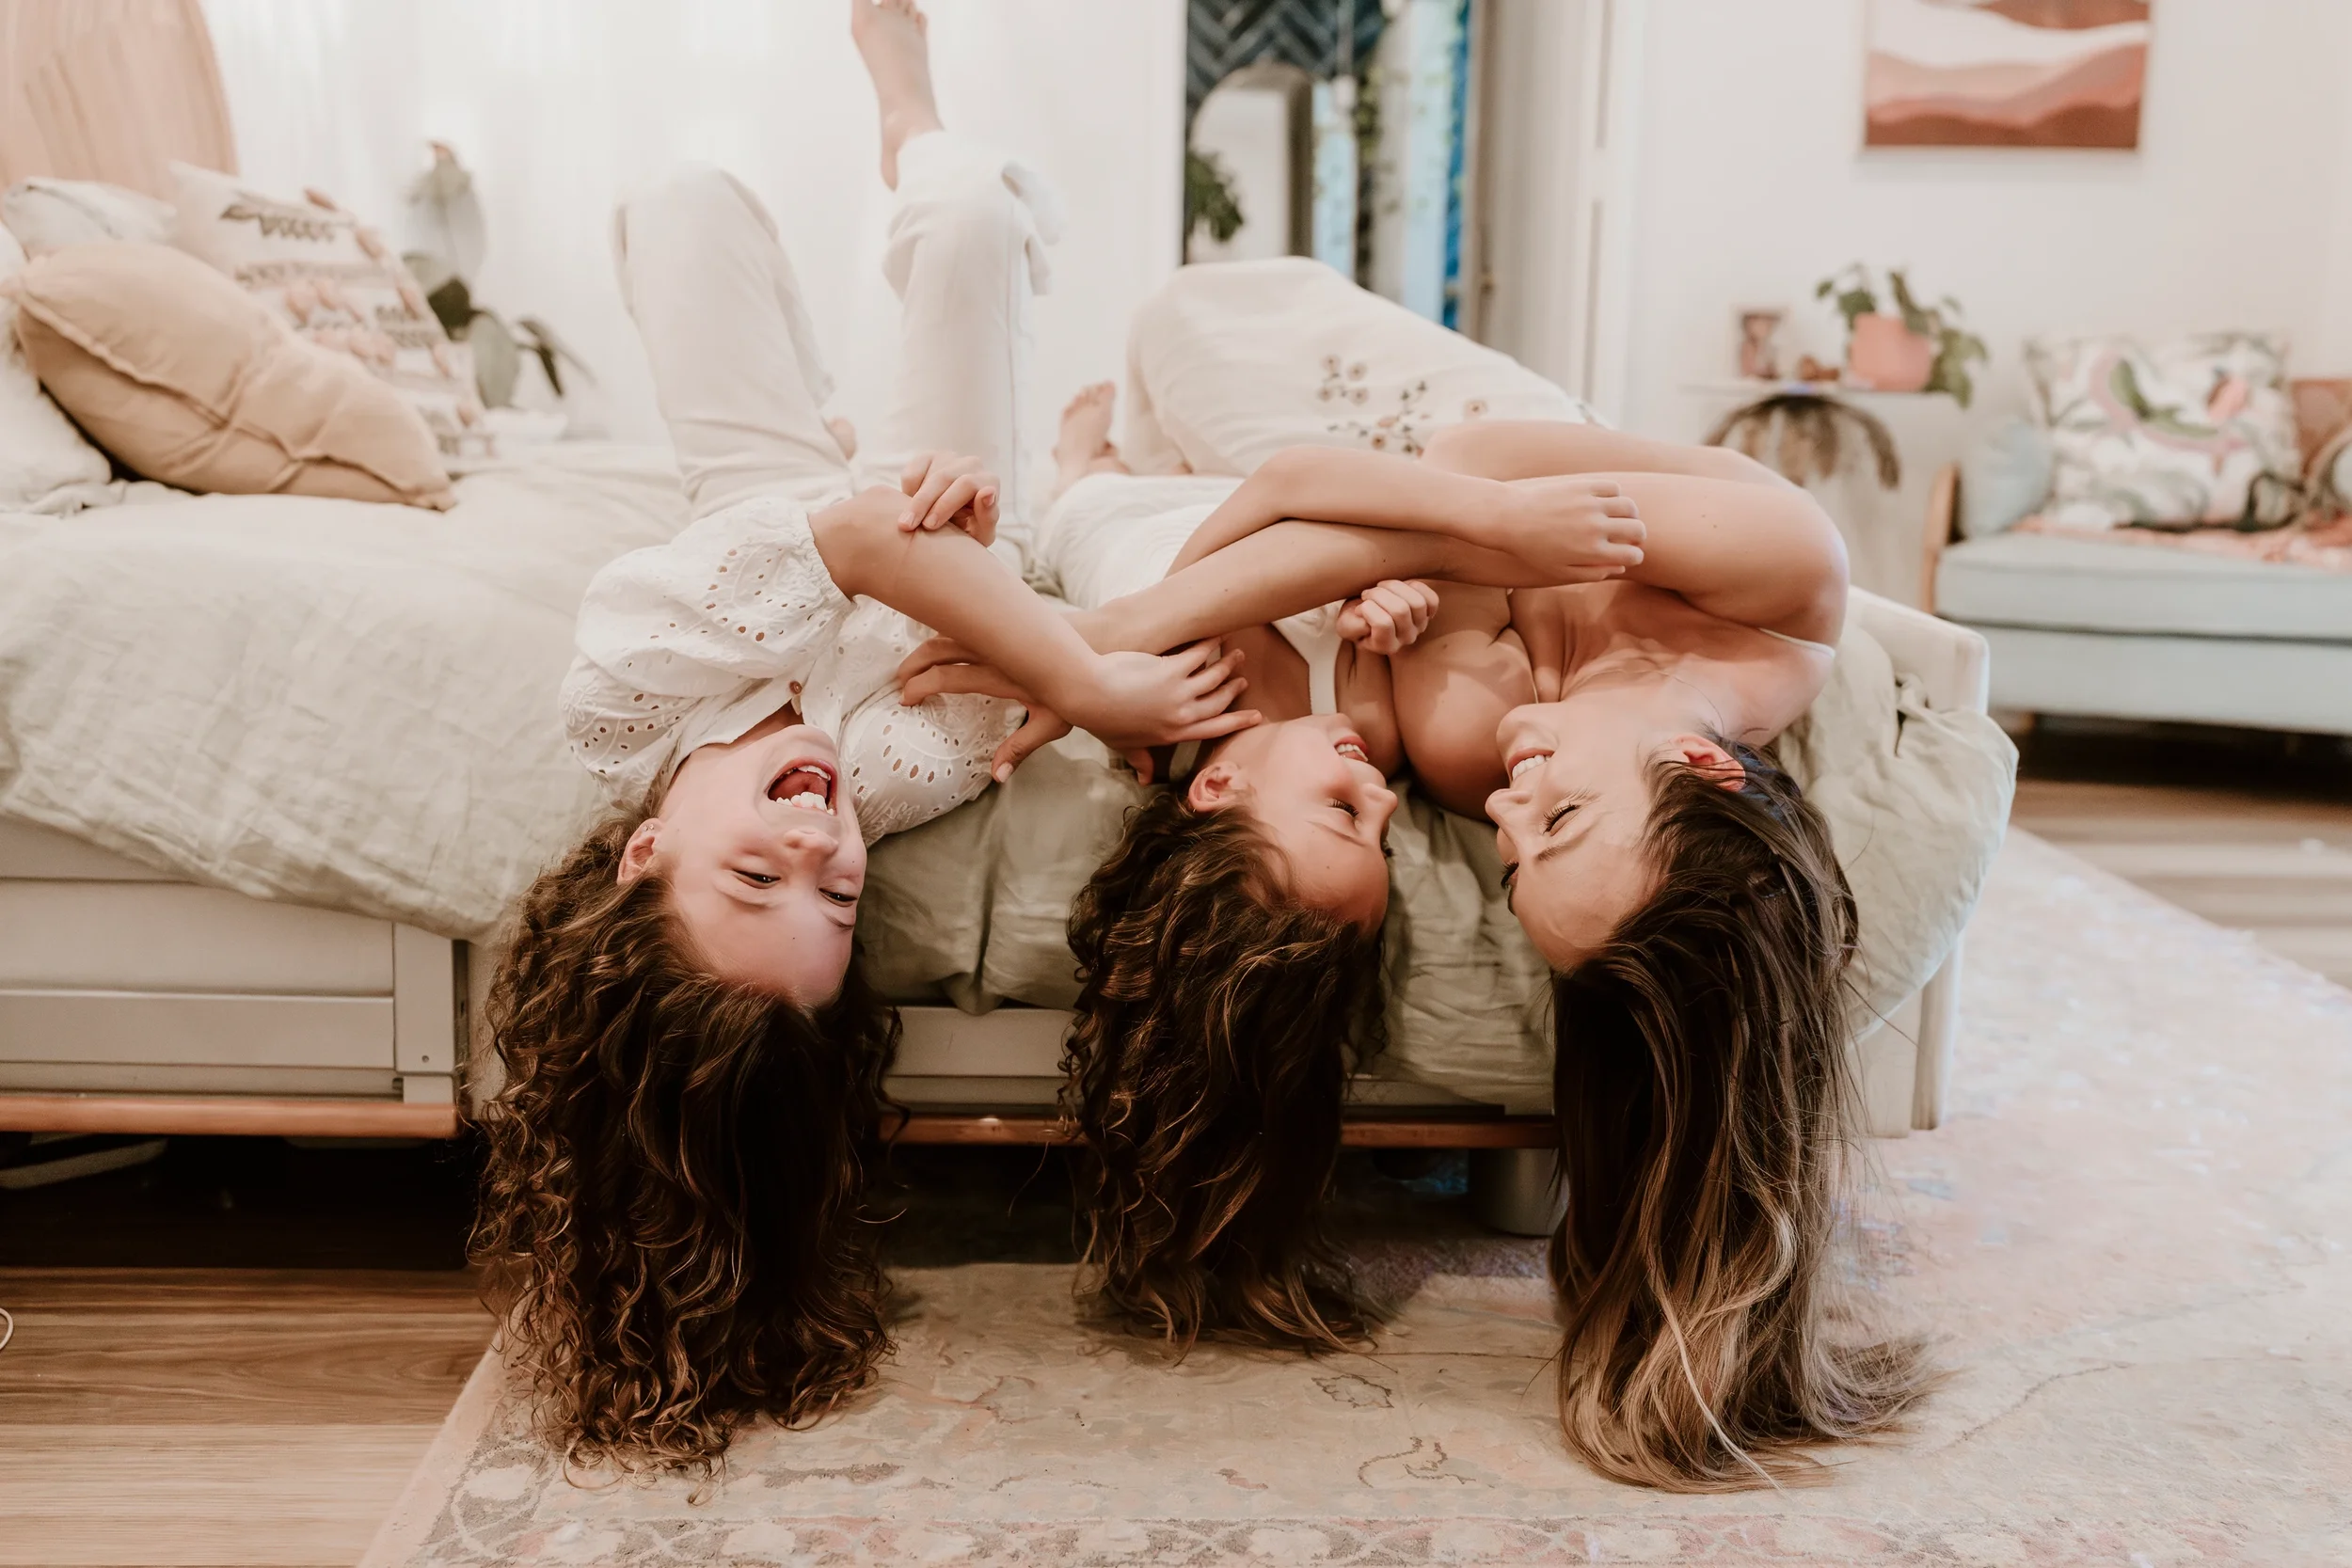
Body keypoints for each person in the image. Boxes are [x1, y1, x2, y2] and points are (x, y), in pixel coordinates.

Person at [471, 0, 1254, 1473]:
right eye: (836, 894)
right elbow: (977, 636)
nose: (822, 843)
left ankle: (888, 118)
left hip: (765, 500)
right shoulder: (884, 785)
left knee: (680, 203)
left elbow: (865, 557)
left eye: (755, 879)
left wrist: (1073, 678)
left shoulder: (624, 694)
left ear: (646, 851)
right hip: (941, 510)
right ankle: (920, 115)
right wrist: (986, 575)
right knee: (958, 211)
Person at [901, 385, 1645, 1354]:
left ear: (1212, 794)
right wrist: (1389, 616)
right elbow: (1362, 587)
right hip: (1274, 518)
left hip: (1146, 535)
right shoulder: (1370, 737)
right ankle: (1110, 460)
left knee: (1093, 495)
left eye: (1343, 812)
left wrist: (1075, 678)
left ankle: (1082, 463)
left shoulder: (1185, 670)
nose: (1379, 793)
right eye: (1379, 828)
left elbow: (1290, 482)